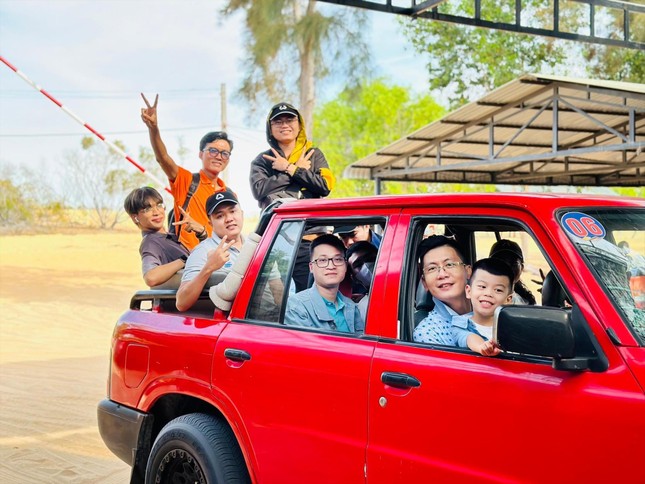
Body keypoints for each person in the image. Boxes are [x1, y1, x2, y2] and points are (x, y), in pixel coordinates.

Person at [140, 93, 232, 250]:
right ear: (200, 154)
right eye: (213, 151)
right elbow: (163, 158)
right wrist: (153, 128)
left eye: (225, 153)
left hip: (218, 259)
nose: (219, 156)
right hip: (188, 259)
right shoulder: (187, 181)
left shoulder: (229, 194)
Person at [250, 102, 335, 209]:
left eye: (290, 120)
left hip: (311, 217)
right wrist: (290, 173)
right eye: (278, 122)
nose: (284, 125)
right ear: (270, 129)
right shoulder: (263, 159)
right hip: (276, 218)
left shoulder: (313, 154)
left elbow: (326, 186)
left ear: (299, 126)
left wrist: (292, 169)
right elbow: (258, 191)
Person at [175, 189, 242, 311]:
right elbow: (181, 302)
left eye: (232, 211)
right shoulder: (203, 251)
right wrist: (209, 268)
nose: (229, 219)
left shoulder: (255, 245)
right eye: (220, 216)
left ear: (241, 213)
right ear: (210, 223)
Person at [284, 234, 364, 333]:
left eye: (338, 259)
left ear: (345, 265)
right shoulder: (297, 307)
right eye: (322, 260)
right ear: (311, 267)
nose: (331, 266)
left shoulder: (351, 306)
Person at [123, 186, 191, 288]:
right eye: (147, 209)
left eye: (159, 205)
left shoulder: (167, 237)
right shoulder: (151, 242)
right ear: (135, 217)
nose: (156, 212)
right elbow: (151, 277)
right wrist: (184, 260)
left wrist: (201, 233)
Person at [413, 235, 472, 345]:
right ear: (424, 283)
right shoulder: (428, 333)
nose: (442, 274)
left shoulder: (490, 308)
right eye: (432, 268)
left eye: (449, 264)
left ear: (468, 271)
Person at [452, 258, 514, 356]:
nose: (488, 293)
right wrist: (481, 346)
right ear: (469, 291)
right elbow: (467, 337)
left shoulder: (512, 327)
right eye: (482, 286)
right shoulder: (461, 323)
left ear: (508, 300)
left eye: (498, 290)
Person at [489, 239, 536, 305]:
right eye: (501, 263)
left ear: (522, 268)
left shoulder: (526, 302)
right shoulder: (481, 297)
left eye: (513, 263)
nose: (508, 268)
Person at [345, 241, 378, 320]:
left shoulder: (406, 284)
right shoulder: (362, 309)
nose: (367, 265)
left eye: (370, 259)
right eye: (358, 265)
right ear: (354, 278)